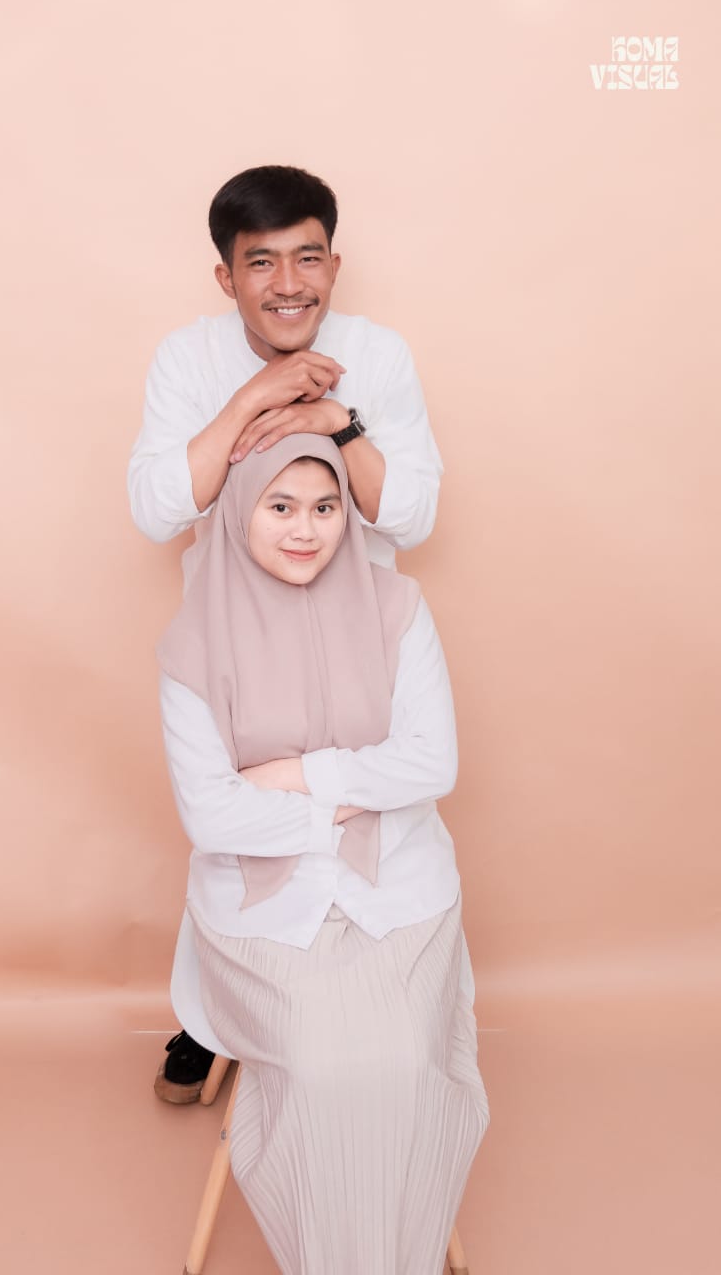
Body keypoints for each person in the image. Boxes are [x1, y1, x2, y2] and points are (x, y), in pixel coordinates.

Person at [129, 164, 443, 1100]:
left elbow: (412, 515)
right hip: (235, 625)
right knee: (229, 827)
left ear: (334, 264)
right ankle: (212, 1013)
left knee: (359, 806)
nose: (288, 283)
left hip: (356, 623)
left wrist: (338, 424)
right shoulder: (188, 358)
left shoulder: (378, 353)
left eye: (308, 257)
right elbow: (155, 508)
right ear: (226, 276)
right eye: (260, 262)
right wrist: (254, 402)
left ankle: (360, 987)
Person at [156, 433, 489, 1275]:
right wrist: (350, 804)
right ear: (241, 510)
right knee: (321, 1067)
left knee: (407, 1064)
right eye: (281, 506)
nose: (306, 529)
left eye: (325, 507)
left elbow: (433, 764)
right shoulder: (191, 644)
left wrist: (295, 777)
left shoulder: (398, 610)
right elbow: (210, 815)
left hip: (402, 895)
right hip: (260, 913)